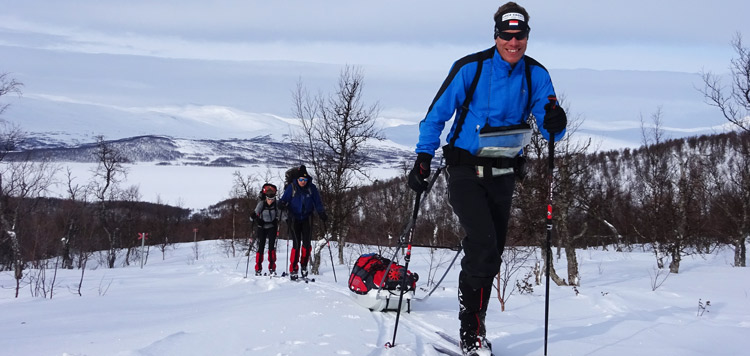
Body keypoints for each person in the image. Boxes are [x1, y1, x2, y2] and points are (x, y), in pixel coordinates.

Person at [407, 2, 567, 355]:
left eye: (520, 36)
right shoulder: (471, 68)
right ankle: (471, 332)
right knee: (482, 243)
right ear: (496, 36)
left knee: (492, 251)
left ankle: (476, 322)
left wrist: (556, 121)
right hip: (465, 167)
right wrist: (423, 156)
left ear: (527, 36)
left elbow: (549, 120)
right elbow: (437, 115)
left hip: (504, 170)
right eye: (507, 36)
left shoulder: (535, 75)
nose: (514, 43)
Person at [278, 165, 327, 279]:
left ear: (307, 179)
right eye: (301, 179)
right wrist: (281, 204)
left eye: (305, 180)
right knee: (296, 244)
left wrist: (321, 213)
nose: (303, 182)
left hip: (307, 218)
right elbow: (283, 200)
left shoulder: (312, 188)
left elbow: (317, 202)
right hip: (293, 218)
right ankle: (294, 268)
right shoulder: (292, 187)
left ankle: (304, 266)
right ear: (297, 179)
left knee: (306, 244)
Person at [251, 184, 280, 276]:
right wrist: (254, 218)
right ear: (266, 197)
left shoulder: (276, 204)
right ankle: (258, 269)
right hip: (262, 228)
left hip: (272, 227)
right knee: (261, 247)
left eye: (272, 199)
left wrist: (286, 218)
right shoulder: (261, 204)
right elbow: (254, 215)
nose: (270, 201)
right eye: (269, 198)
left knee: (272, 248)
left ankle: (272, 268)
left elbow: (281, 215)